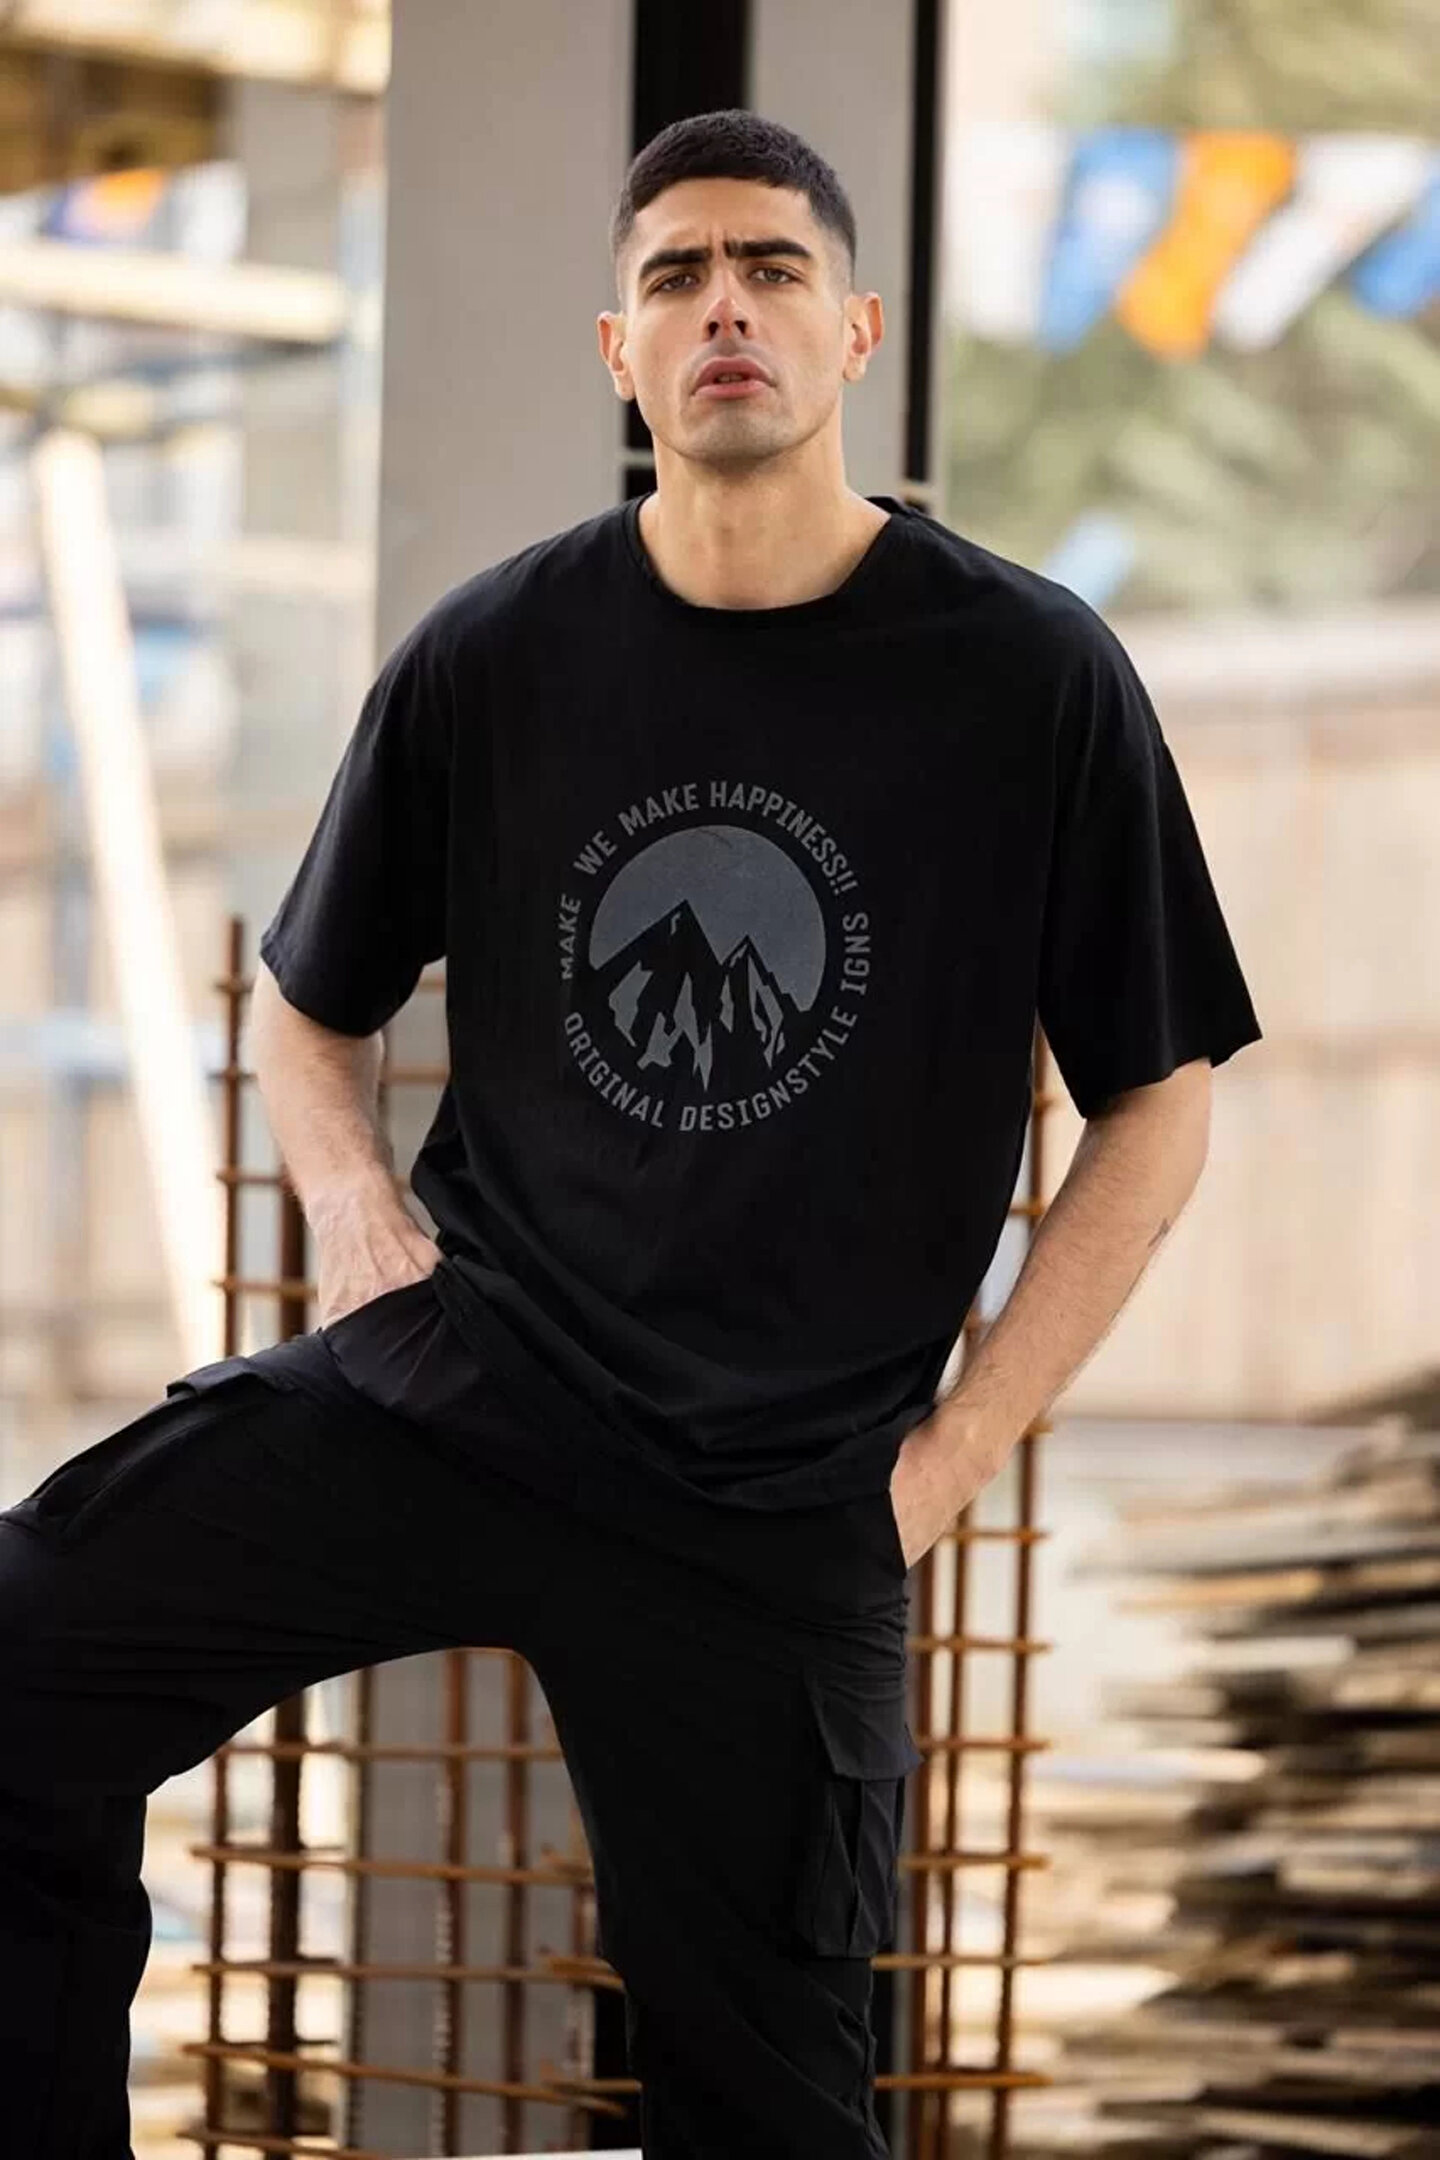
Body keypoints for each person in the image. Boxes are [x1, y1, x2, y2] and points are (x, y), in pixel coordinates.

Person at [0, 109, 1262, 2157]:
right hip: (466, 1392)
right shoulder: (496, 654)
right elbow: (308, 1006)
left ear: (854, 331)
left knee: (773, 2115)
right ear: (621, 351)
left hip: (780, 1497)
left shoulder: (1027, 677)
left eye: (771, 268)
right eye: (676, 275)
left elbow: (1161, 1104)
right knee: (19, 1662)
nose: (724, 306)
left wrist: (947, 1461)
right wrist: (358, 1221)